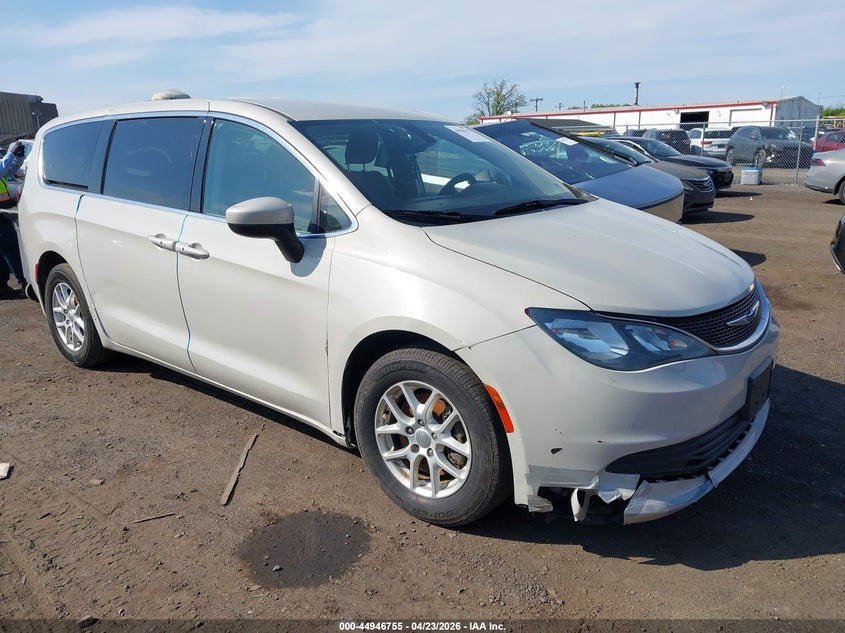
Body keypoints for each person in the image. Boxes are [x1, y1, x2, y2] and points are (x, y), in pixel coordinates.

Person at [0, 140, 27, 299]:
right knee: (9, 247)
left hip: (3, 207)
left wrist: (18, 157)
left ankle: (1, 286)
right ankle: (24, 283)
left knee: (3, 250)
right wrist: (10, 153)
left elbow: (9, 170)